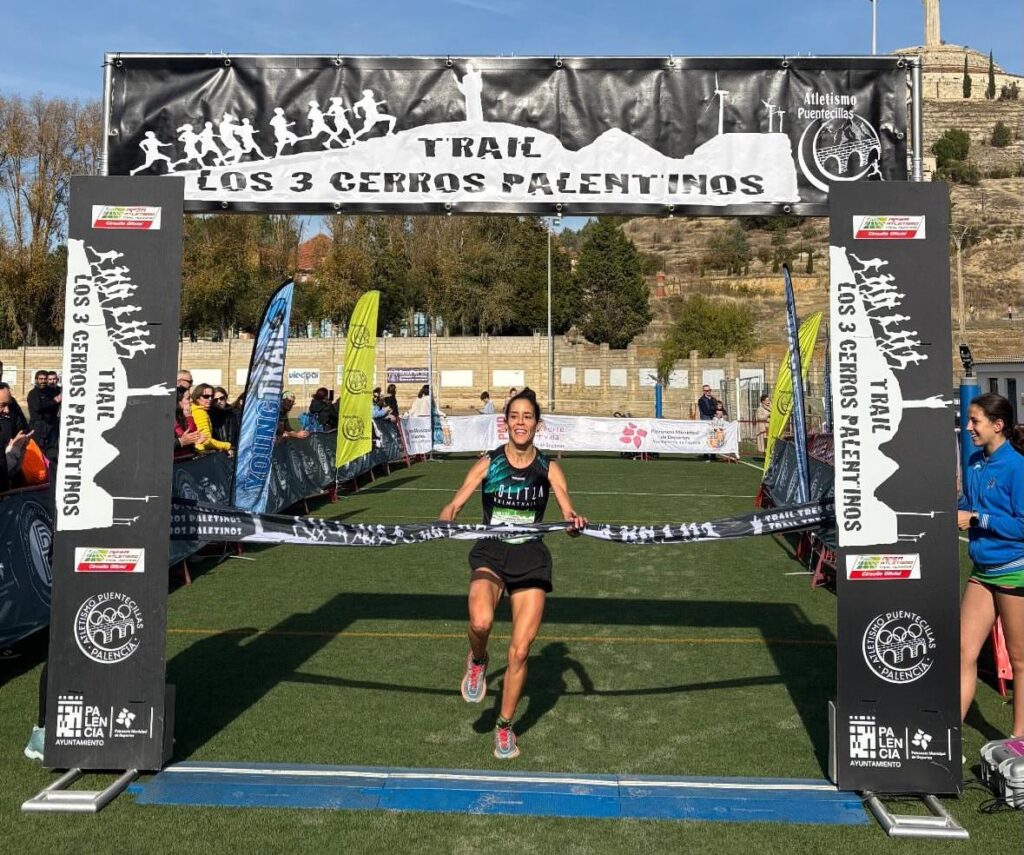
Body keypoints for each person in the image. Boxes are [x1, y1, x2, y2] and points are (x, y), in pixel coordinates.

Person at [439, 388, 587, 760]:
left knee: (520, 652)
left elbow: (568, 509)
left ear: (537, 423)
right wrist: (447, 516)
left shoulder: (549, 468)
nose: (521, 423)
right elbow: (456, 501)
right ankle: (477, 660)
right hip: (492, 551)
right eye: (515, 416)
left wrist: (573, 521)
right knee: (481, 621)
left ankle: (505, 728)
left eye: (528, 417)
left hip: (531, 557)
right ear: (506, 422)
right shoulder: (489, 462)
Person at [958, 393, 1024, 741]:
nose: (968, 427)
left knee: (1019, 661)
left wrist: (977, 518)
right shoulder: (973, 461)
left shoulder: (1018, 468)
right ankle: (948, 736)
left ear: (998, 426)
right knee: (963, 651)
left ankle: (1018, 740)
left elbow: (1022, 525)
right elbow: (966, 504)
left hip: (1014, 571)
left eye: (975, 421)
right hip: (982, 572)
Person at [190, 383, 232, 455]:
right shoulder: (200, 412)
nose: (210, 399)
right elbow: (206, 440)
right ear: (197, 397)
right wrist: (227, 446)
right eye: (206, 396)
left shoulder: (197, 409)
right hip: (200, 452)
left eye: (211, 396)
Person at [173, 387, 205, 458]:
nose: (191, 401)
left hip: (186, 460)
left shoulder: (184, 416)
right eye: (188, 398)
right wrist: (180, 442)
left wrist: (196, 439)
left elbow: (191, 434)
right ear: (178, 401)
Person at [697, 384, 718, 462]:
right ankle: (706, 454)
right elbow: (706, 411)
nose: (708, 392)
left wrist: (715, 411)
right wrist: (714, 411)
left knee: (714, 437)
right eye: (706, 390)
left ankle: (713, 454)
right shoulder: (701, 400)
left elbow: (718, 408)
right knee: (706, 438)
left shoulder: (714, 399)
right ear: (703, 391)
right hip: (706, 421)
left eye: (709, 390)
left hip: (714, 421)